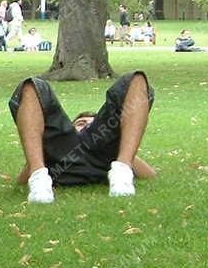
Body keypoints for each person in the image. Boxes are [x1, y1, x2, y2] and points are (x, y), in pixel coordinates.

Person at [10, 72, 156, 203]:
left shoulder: (107, 143)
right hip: (61, 158)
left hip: (101, 154)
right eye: (81, 123)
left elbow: (150, 175)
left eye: (90, 123)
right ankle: (39, 180)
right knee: (31, 85)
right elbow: (21, 181)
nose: (86, 125)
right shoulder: (60, 143)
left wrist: (119, 151)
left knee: (137, 79)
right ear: (71, 127)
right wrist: (42, 155)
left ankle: (122, 174)